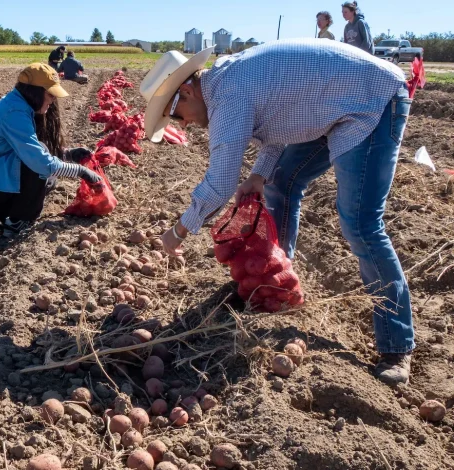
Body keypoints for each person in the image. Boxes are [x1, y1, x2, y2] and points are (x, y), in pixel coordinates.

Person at [139, 39, 415, 386]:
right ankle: (274, 287)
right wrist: (258, 176)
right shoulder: (231, 83)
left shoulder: (228, 94)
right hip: (331, 107)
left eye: (176, 116)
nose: (186, 125)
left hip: (372, 100)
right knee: (280, 185)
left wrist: (180, 229)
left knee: (360, 222)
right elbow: (281, 122)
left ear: (187, 92)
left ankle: (396, 345)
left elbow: (221, 181)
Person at [0, 63, 101, 238]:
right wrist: (81, 171)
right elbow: (40, 162)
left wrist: (68, 154)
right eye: (50, 94)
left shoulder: (17, 105)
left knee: (49, 179)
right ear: (35, 91)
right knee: (42, 171)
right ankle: (17, 222)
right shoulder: (14, 113)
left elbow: (28, 148)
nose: (53, 100)